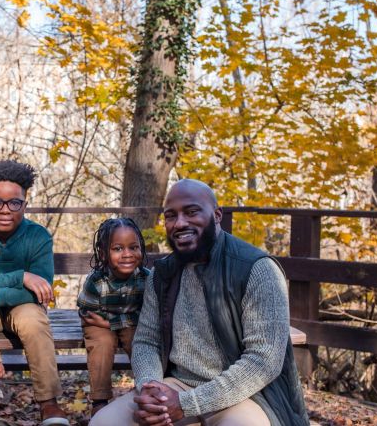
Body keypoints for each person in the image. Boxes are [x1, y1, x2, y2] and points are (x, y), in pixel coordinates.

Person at [91, 179, 309, 426]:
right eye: (171, 216)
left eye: (191, 212)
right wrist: (151, 388)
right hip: (175, 386)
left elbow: (263, 361)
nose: (179, 223)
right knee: (103, 423)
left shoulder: (257, 269)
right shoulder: (162, 274)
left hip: (245, 396)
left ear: (217, 215)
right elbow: (147, 341)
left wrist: (187, 404)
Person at [0, 159, 69, 426]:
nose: (5, 210)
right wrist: (21, 277)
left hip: (23, 307)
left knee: (34, 320)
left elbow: (41, 292)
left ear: (25, 204)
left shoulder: (38, 237)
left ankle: (48, 402)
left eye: (14, 203)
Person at [77, 218, 149, 417]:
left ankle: (147, 389)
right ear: (103, 254)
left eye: (133, 247)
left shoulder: (146, 279)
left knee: (140, 342)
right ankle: (100, 400)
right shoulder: (96, 281)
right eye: (118, 249)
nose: (127, 254)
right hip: (98, 322)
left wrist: (113, 322)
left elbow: (150, 314)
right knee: (102, 343)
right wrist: (108, 324)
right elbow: (87, 313)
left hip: (131, 321)